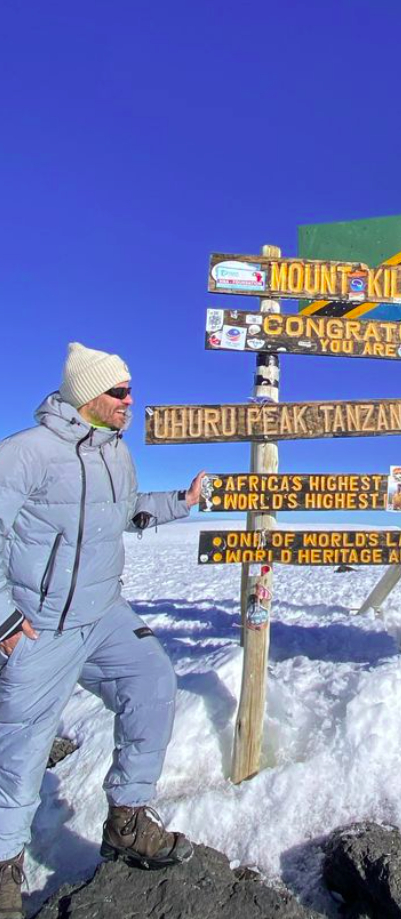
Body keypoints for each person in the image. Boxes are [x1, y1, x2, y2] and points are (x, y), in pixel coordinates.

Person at [0, 342, 205, 919]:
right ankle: (3, 868)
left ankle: (127, 820)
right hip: (43, 625)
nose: (129, 401)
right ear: (86, 394)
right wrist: (6, 620)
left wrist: (180, 502)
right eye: (118, 391)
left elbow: (123, 510)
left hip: (103, 613)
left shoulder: (116, 453)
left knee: (152, 683)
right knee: (20, 747)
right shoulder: (25, 453)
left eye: (129, 390)